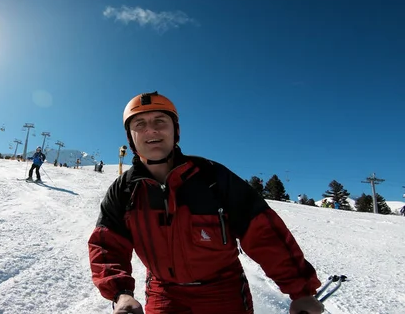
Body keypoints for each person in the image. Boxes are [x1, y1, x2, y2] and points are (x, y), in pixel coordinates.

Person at [87, 91, 324, 314]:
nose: (151, 131)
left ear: (175, 130)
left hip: (223, 291)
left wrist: (300, 290)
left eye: (160, 121)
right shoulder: (124, 191)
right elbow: (106, 246)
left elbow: (265, 234)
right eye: (140, 124)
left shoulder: (212, 177)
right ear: (131, 137)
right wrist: (121, 293)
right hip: (164, 292)